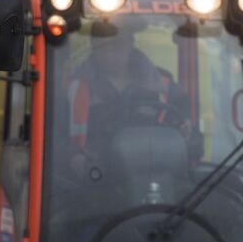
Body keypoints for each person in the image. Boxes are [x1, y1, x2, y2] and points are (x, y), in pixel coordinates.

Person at [63, 24, 197, 178]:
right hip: (93, 184)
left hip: (155, 179)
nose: (110, 51)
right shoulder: (73, 88)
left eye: (118, 43)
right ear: (93, 45)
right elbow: (51, 143)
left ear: (130, 43)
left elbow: (195, 143)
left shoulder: (164, 86)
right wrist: (73, 157)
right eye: (104, 45)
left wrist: (186, 137)